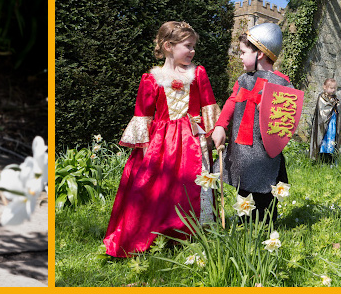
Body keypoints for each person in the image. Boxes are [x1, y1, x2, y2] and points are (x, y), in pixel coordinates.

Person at [103, 22, 220, 257]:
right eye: (188, 46)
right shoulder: (151, 79)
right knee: (159, 187)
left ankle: (193, 232)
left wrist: (213, 133)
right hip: (162, 143)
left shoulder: (198, 74)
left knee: (192, 184)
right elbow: (143, 115)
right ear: (168, 46)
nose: (192, 51)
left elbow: (208, 105)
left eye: (194, 47)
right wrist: (145, 150)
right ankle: (156, 232)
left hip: (193, 141)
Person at [212, 22, 296, 223]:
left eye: (243, 52)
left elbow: (288, 119)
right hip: (242, 148)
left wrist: (270, 111)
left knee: (266, 195)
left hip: (265, 152)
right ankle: (245, 225)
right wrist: (220, 126)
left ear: (259, 54)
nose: (240, 56)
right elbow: (232, 101)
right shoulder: (242, 80)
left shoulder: (282, 83)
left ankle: (266, 228)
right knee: (244, 191)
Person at [309, 77, 341, 163]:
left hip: (333, 122)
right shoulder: (321, 97)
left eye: (334, 88)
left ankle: (331, 159)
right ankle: (321, 159)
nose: (333, 90)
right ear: (325, 87)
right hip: (323, 124)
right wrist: (332, 106)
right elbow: (322, 111)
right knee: (323, 139)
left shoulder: (336, 99)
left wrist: (336, 106)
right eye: (331, 88)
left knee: (332, 139)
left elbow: (339, 112)